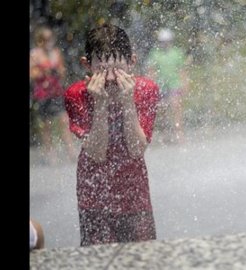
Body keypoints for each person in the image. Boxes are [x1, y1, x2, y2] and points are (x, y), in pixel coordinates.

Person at [64, 23, 160, 246]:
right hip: (94, 197)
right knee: (99, 260)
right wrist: (100, 104)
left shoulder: (146, 89)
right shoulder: (77, 95)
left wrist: (127, 102)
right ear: (86, 65)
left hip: (134, 194)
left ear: (132, 62)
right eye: (102, 71)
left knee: (143, 258)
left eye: (117, 71)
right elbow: (97, 153)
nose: (110, 79)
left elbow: (137, 149)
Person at [30, 26, 77, 164]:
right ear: (40, 41)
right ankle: (50, 153)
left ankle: (71, 150)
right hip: (42, 94)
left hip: (56, 92)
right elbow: (32, 74)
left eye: (51, 38)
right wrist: (44, 72)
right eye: (46, 39)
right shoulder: (35, 54)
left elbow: (62, 70)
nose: (49, 41)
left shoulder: (56, 52)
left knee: (64, 120)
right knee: (46, 125)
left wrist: (57, 72)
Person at [145, 28, 189, 145]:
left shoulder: (177, 53)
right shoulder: (155, 53)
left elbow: (182, 70)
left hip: (175, 84)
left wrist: (185, 83)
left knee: (176, 107)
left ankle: (179, 132)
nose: (165, 43)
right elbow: (151, 71)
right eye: (162, 41)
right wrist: (150, 86)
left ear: (171, 41)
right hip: (161, 86)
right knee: (162, 109)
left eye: (167, 41)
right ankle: (165, 133)